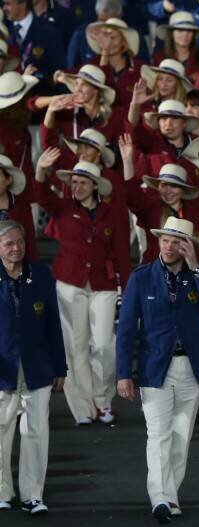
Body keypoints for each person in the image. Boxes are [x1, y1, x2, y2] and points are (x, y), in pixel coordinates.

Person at [115, 217, 199, 524]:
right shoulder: (141, 277)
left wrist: (197, 267)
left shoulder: (198, 274)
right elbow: (126, 328)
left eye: (176, 241)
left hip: (191, 366)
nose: (168, 246)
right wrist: (123, 373)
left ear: (187, 246)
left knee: (181, 436)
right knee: (158, 434)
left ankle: (170, 495)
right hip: (155, 367)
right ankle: (160, 498)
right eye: (164, 240)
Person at [34, 153, 130, 426]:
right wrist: (40, 169)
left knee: (104, 344)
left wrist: (128, 289)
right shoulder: (63, 207)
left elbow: (122, 252)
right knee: (75, 348)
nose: (77, 187)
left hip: (103, 283)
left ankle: (103, 400)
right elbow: (42, 196)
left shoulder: (112, 212)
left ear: (95, 185)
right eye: (74, 182)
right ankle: (83, 409)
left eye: (83, 182)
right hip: (69, 282)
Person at [0, 220, 65, 515]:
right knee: (1, 431)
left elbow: (54, 324)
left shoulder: (40, 275)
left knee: (36, 431)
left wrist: (60, 367)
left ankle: (33, 495)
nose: (16, 248)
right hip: (3, 369)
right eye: (9, 244)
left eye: (20, 242)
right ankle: (2, 491)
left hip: (37, 366)